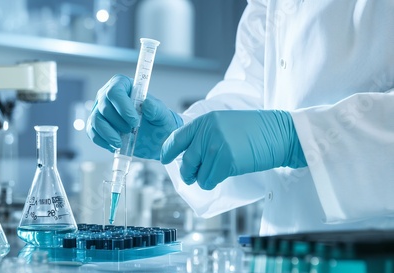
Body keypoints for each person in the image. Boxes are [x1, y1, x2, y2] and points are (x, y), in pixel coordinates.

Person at [86, 0, 394, 236]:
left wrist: (298, 138)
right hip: (283, 253)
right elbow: (252, 89)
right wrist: (182, 133)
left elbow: (270, 130)